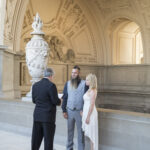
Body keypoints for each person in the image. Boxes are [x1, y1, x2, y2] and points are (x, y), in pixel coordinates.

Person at [31, 68, 61, 150]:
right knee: (48, 141)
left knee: (35, 139)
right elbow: (55, 101)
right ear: (51, 75)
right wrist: (60, 100)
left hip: (37, 116)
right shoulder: (51, 85)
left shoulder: (35, 85)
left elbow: (34, 100)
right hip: (48, 117)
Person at [62, 65, 89, 150]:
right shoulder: (67, 83)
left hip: (80, 112)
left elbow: (87, 99)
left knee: (81, 133)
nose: (73, 74)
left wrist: (84, 111)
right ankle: (69, 148)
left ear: (79, 73)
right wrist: (64, 110)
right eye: (72, 72)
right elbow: (65, 97)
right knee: (69, 132)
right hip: (69, 111)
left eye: (75, 73)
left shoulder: (84, 84)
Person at [81, 74, 98, 150]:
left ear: (91, 81)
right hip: (86, 113)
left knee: (92, 135)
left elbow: (91, 104)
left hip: (91, 114)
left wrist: (87, 117)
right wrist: (83, 114)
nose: (86, 81)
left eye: (87, 80)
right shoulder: (88, 90)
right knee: (89, 134)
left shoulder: (93, 90)